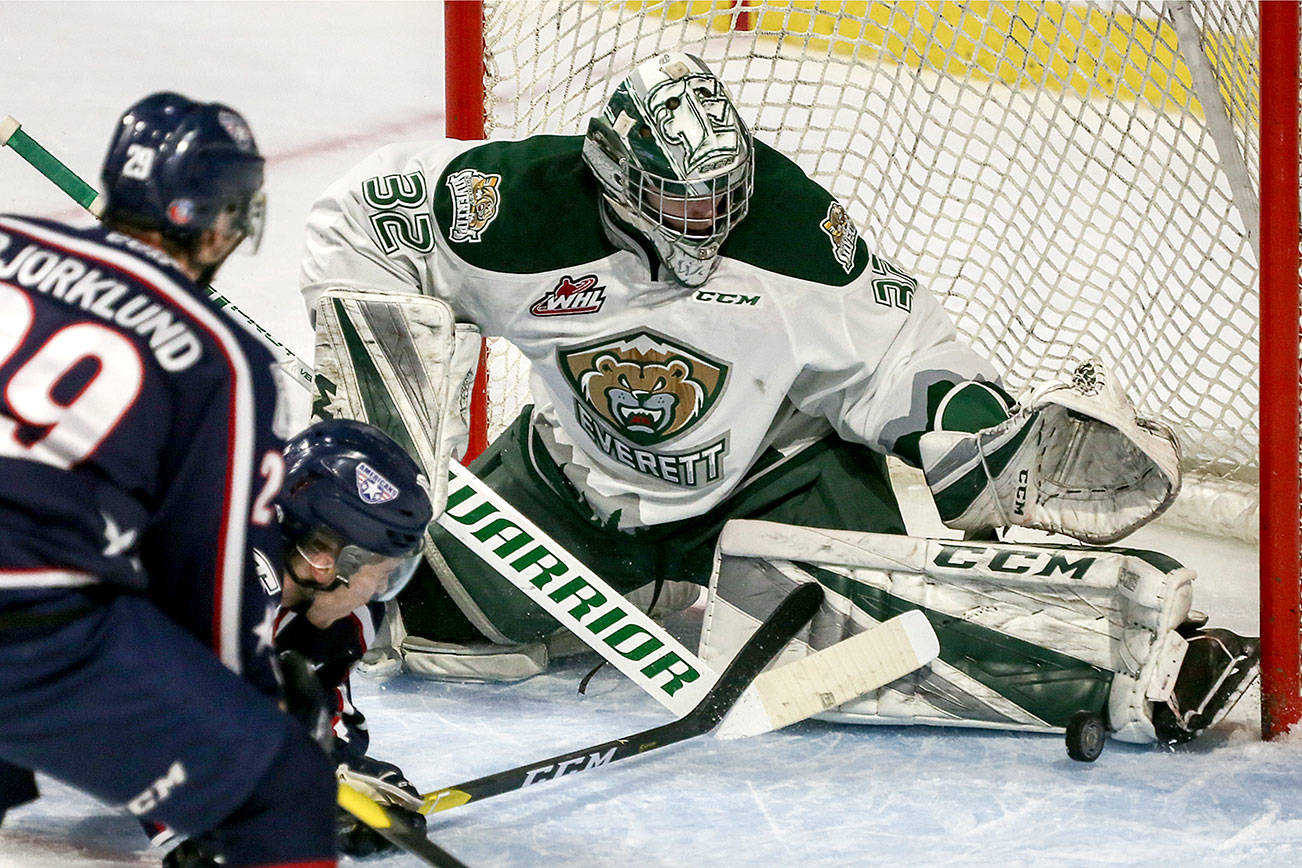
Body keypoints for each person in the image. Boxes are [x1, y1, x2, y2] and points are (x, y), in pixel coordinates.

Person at [298, 54, 1258, 747]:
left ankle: (1150, 659)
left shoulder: (792, 231)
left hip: (772, 480)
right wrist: (382, 428)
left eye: (722, 196)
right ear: (617, 182)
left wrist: (979, 438)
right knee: (412, 623)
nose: (709, 223)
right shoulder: (511, 208)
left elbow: (899, 354)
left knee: (898, 643)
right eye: (682, 205)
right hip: (576, 482)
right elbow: (355, 224)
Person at [0, 92, 337, 867]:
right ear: (222, 222)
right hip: (24, 630)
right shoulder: (220, 357)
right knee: (282, 788)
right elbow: (206, 584)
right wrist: (250, 717)